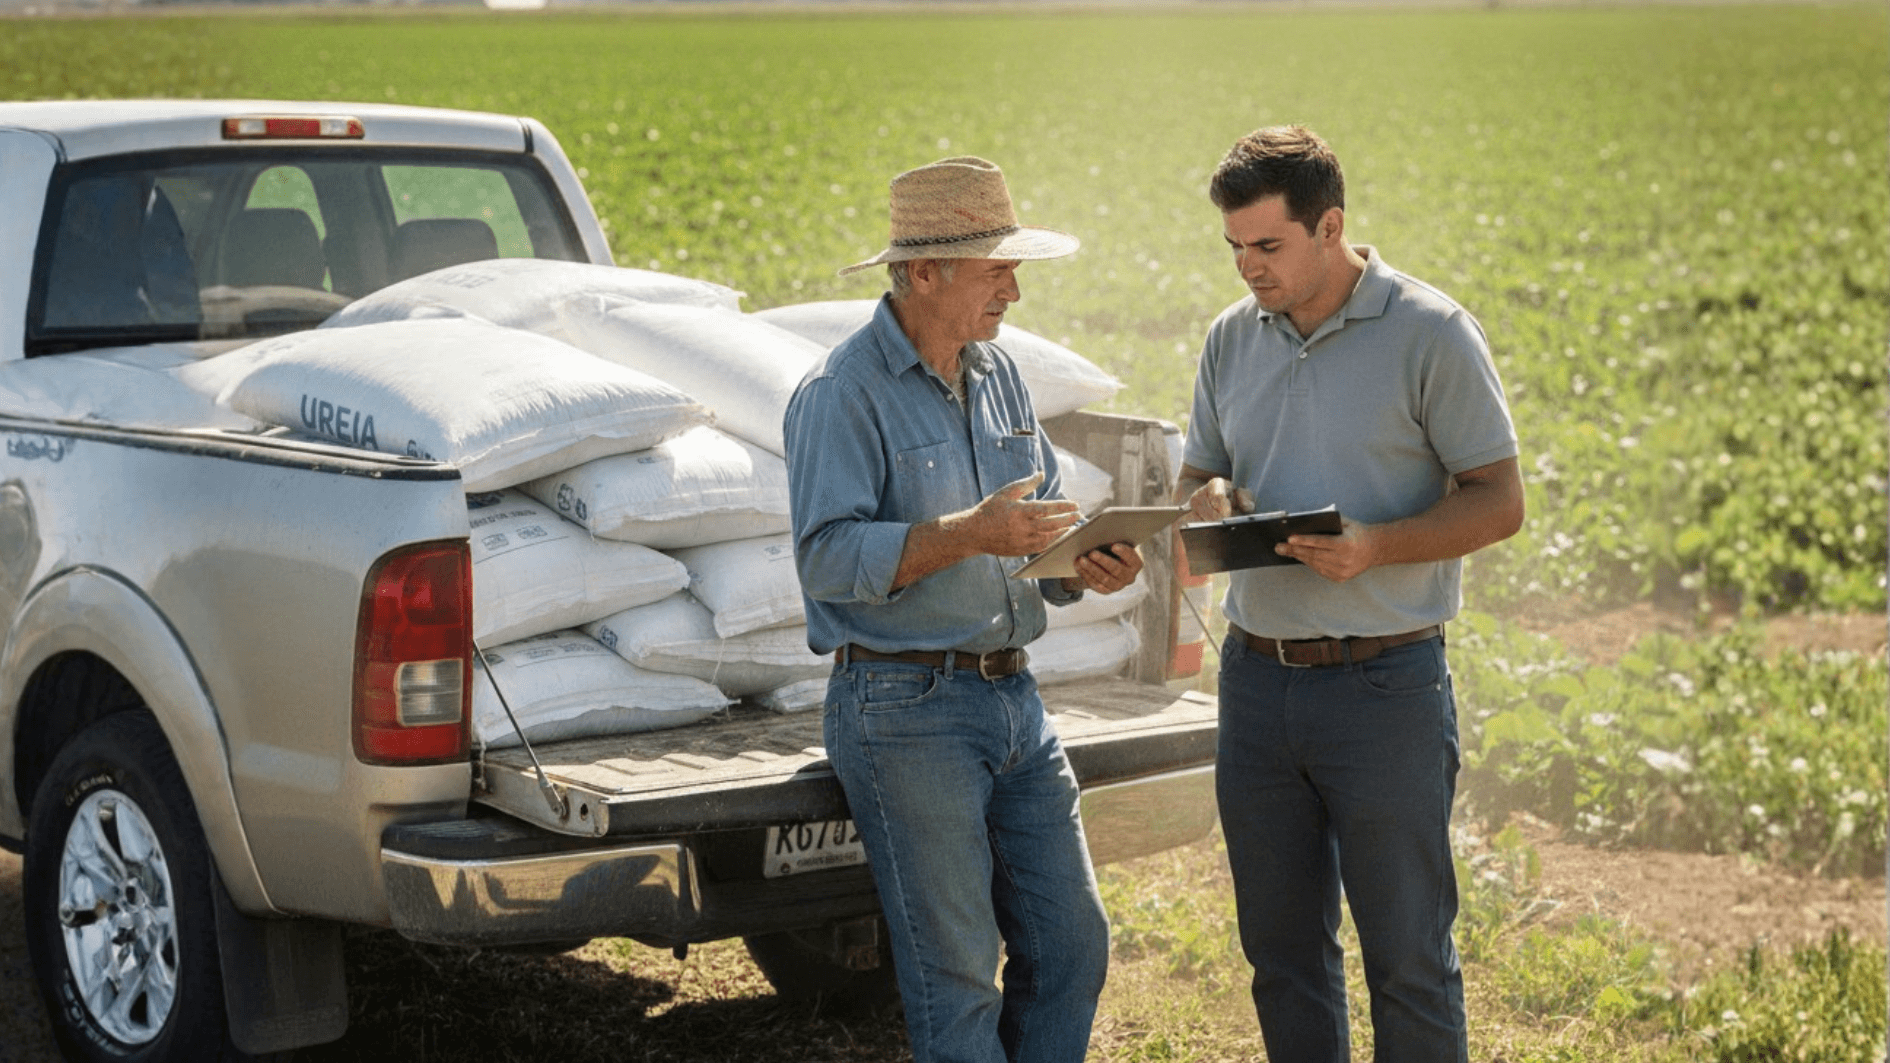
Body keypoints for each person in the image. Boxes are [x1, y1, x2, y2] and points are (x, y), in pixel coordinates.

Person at [1176, 125, 1524, 1062]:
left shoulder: (1431, 332)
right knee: (1281, 954)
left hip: (1386, 690)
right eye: (1235, 248)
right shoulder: (1228, 339)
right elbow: (1197, 477)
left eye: (1268, 245)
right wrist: (1204, 499)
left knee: (1408, 956)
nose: (1248, 266)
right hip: (1255, 685)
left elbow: (1501, 501)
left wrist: (1375, 547)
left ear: (1330, 226)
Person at [784, 155, 1143, 1063]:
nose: (1015, 291)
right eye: (997, 269)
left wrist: (1077, 567)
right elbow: (826, 558)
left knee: (1073, 945)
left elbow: (1031, 540)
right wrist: (970, 534)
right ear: (922, 272)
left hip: (1015, 701)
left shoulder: (1002, 379)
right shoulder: (841, 393)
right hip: (903, 711)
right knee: (957, 977)